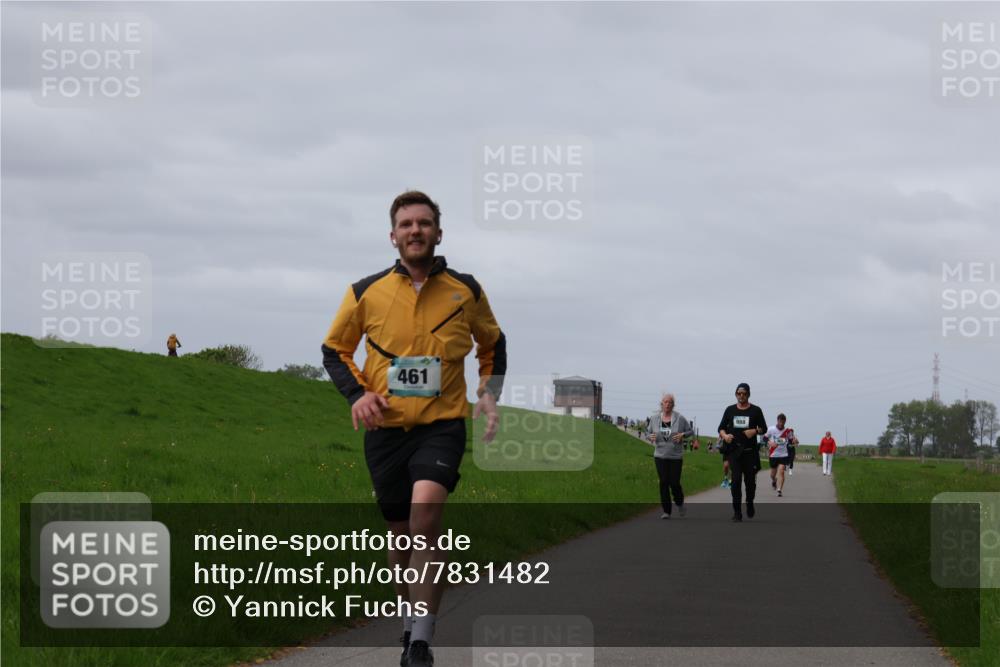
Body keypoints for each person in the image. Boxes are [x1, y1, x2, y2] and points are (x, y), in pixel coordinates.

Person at [321, 190, 507, 667]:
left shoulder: (465, 290)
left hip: (441, 426)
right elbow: (334, 349)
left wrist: (488, 393)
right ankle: (408, 626)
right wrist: (359, 394)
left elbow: (494, 343)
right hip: (384, 430)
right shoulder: (365, 291)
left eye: (424, 223)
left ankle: (421, 642)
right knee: (400, 536)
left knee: (425, 519)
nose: (415, 231)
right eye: (406, 225)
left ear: (438, 233)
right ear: (393, 236)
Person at [718, 382, 767, 522]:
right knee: (736, 480)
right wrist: (725, 436)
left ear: (748, 394)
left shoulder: (756, 411)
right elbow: (721, 428)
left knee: (750, 482)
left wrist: (755, 431)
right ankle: (737, 512)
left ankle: (750, 502)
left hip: (750, 452)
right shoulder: (730, 410)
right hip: (734, 451)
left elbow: (763, 428)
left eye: (744, 393)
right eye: (738, 393)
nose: (741, 396)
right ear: (735, 394)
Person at [647, 393, 694, 519]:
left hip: (675, 457)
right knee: (663, 482)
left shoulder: (680, 418)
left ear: (673, 405)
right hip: (660, 456)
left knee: (674, 483)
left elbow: (690, 431)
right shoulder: (654, 419)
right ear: (661, 404)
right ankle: (666, 511)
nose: (667, 404)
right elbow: (648, 432)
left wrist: (682, 435)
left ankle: (679, 503)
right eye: (665, 402)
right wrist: (649, 437)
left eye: (670, 402)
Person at [765, 413, 798, 497]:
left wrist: (794, 441)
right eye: (780, 422)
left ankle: (779, 490)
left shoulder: (788, 431)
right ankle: (774, 481)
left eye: (783, 422)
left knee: (782, 471)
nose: (781, 424)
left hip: (783, 454)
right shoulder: (771, 429)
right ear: (777, 421)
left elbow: (791, 441)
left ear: (785, 422)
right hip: (773, 455)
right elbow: (764, 438)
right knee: (772, 474)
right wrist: (770, 443)